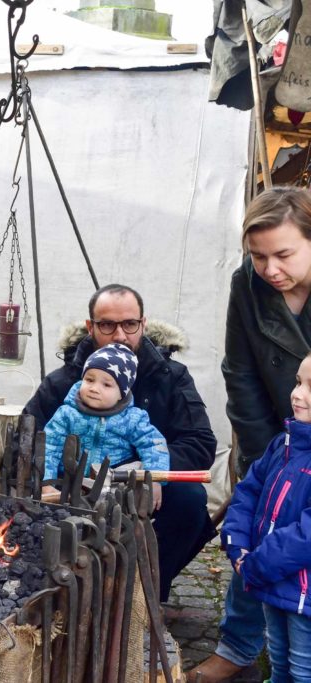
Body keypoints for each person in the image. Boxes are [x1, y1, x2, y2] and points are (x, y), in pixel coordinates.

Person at [24, 283, 217, 602]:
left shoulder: (170, 376)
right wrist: (53, 478)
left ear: (143, 323)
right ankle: (59, 590)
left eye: (129, 324)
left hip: (140, 486)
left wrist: (144, 469)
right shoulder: (63, 382)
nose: (120, 335)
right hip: (70, 487)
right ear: (90, 327)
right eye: (107, 325)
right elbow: (29, 440)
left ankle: (144, 595)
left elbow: (199, 444)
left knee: (189, 501)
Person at [191, 187, 311, 682]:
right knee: (259, 529)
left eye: (283, 254)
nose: (270, 268)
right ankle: (238, 648)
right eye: (258, 255)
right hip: (272, 436)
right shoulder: (250, 284)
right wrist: (270, 456)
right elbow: (239, 371)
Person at [221, 352, 311, 683]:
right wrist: (237, 544)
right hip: (271, 583)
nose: (297, 393)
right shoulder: (283, 445)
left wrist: (256, 565)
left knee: (303, 671)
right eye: (298, 382)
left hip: (304, 596)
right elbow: (247, 495)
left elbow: (306, 535)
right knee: (280, 665)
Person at [41, 343, 169, 510]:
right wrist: (46, 483)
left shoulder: (132, 419)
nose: (94, 388)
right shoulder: (67, 414)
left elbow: (154, 446)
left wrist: (155, 481)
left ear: (122, 393)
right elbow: (49, 447)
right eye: (89, 379)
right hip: (68, 486)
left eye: (106, 385)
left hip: (114, 490)